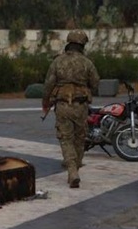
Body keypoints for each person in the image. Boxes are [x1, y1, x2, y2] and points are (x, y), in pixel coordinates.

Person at [42, 30, 100, 188]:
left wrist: (45, 101)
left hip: (62, 106)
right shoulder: (87, 63)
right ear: (82, 45)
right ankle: (77, 164)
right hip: (81, 106)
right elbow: (95, 83)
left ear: (68, 43)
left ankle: (72, 170)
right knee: (80, 138)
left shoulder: (58, 62)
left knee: (66, 139)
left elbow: (48, 84)